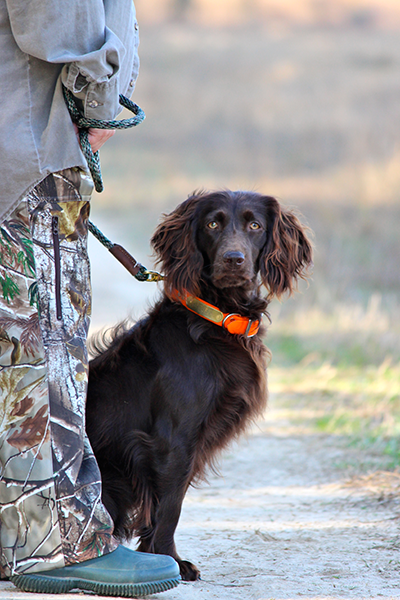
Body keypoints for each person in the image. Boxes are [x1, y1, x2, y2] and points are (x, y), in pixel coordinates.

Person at [0, 0, 180, 595]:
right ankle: (56, 544)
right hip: (30, 150)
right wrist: (98, 100)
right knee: (40, 342)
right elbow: (60, 18)